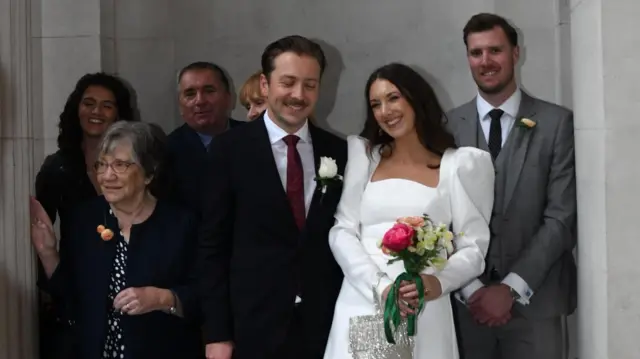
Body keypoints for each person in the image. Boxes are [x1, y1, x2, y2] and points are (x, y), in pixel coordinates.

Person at [323, 63, 494, 359]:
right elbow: (342, 230)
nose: (385, 111)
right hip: (362, 298)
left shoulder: (458, 165)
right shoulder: (366, 158)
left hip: (423, 305)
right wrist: (380, 287)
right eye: (376, 104)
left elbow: (474, 248)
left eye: (393, 98)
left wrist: (436, 283)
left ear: (416, 99)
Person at [199, 35, 347, 359]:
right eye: (288, 82)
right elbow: (212, 248)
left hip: (325, 328)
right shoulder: (228, 150)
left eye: (310, 84)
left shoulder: (340, 152)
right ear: (265, 85)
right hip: (252, 329)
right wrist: (217, 334)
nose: (299, 95)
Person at [447, 13, 577, 359]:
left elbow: (561, 217)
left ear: (516, 53)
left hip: (537, 302)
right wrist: (471, 288)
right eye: (476, 53)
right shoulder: (445, 126)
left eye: (495, 50)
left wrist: (512, 287)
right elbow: (435, 219)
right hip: (464, 306)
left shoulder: (557, 123)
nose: (486, 61)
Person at [30, 121, 203, 359]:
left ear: (149, 173)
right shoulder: (84, 219)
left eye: (120, 165)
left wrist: (162, 298)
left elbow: (205, 294)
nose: (107, 175)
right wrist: (48, 251)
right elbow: (70, 298)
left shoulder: (181, 224)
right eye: (102, 164)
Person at [35, 72, 137, 359]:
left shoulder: (137, 162)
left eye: (107, 105)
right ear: (76, 109)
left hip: (130, 280)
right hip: (77, 287)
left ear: (119, 113)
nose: (96, 112)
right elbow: (40, 229)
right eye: (89, 103)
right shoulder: (58, 168)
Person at [166, 62, 243, 217]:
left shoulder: (254, 139)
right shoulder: (165, 151)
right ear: (180, 106)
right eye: (190, 94)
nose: (200, 101)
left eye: (209, 91)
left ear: (229, 98)